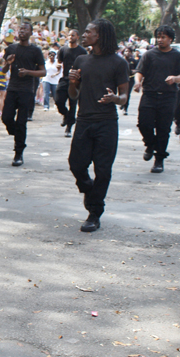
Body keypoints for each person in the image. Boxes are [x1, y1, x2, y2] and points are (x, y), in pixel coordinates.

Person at [67, 19, 129, 233]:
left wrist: (115, 98)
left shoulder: (118, 63)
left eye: (88, 32)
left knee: (103, 170)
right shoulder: (81, 60)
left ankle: (94, 213)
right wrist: (73, 83)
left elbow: (124, 96)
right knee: (76, 164)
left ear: (100, 35)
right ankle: (90, 190)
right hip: (84, 120)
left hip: (107, 123)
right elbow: (73, 95)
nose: (84, 35)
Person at [134, 25, 180, 173]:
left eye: (163, 37)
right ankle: (150, 144)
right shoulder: (149, 55)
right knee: (144, 124)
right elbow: (139, 72)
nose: (160, 40)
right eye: (158, 36)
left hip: (168, 97)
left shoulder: (177, 56)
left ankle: (159, 160)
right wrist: (138, 82)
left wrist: (174, 78)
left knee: (163, 129)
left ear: (170, 39)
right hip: (149, 95)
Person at [1, 22, 46, 166]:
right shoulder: (11, 48)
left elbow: (43, 71)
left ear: (31, 33)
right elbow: (3, 70)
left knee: (22, 122)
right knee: (6, 117)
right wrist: (8, 63)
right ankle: (16, 132)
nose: (22, 31)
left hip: (27, 90)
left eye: (25, 29)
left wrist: (28, 73)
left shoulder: (35, 51)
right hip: (12, 87)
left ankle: (18, 154)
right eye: (20, 28)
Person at [55, 30, 87, 137]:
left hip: (77, 80)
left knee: (73, 104)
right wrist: (58, 66)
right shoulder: (63, 49)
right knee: (58, 100)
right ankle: (66, 114)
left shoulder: (82, 51)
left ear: (77, 37)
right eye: (69, 35)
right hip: (65, 79)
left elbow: (85, 65)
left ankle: (69, 127)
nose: (70, 37)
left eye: (73, 35)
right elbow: (58, 62)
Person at [120, 46, 139, 115]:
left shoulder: (133, 61)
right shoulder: (120, 60)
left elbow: (138, 69)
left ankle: (125, 108)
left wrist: (134, 71)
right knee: (121, 92)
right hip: (121, 79)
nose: (127, 53)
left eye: (129, 51)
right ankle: (121, 102)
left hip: (130, 79)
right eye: (126, 51)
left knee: (127, 93)